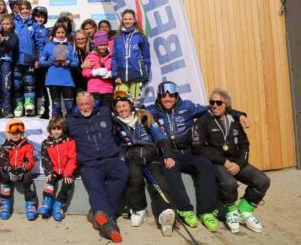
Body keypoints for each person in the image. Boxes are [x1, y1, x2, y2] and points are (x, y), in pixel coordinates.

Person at [147, 81, 249, 232]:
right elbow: (136, 113)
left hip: (189, 151)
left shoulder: (187, 107)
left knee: (205, 164)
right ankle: (185, 210)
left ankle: (206, 211)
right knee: (171, 167)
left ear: (176, 96)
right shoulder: (152, 111)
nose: (167, 99)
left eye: (171, 95)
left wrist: (239, 114)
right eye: (164, 96)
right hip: (169, 153)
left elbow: (214, 109)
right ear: (159, 96)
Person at [193, 88, 270, 234]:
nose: (214, 105)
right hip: (217, 162)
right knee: (229, 183)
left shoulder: (235, 119)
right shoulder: (203, 121)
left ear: (226, 105)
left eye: (218, 102)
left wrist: (239, 164)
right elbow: (198, 148)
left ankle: (245, 211)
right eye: (212, 102)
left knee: (263, 180)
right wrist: (224, 162)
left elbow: (244, 145)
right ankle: (231, 212)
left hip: (236, 161)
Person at [67, 92, 129, 243]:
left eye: (87, 103)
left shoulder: (105, 112)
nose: (85, 107)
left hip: (111, 158)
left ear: (93, 103)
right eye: (81, 104)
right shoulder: (70, 121)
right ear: (77, 105)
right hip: (89, 164)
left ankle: (99, 214)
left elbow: (124, 115)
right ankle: (109, 226)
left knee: (123, 171)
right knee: (95, 186)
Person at [113, 93, 176, 237]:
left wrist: (168, 155)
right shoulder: (115, 123)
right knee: (134, 178)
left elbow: (160, 137)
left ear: (130, 105)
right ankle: (138, 209)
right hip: (132, 156)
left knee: (158, 182)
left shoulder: (144, 117)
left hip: (150, 154)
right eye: (118, 107)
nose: (122, 109)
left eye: (124, 105)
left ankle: (165, 213)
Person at [38, 117, 77, 221]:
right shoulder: (46, 143)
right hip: (54, 169)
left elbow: (72, 158)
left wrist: (68, 173)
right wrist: (49, 172)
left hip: (66, 169)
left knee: (67, 183)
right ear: (50, 129)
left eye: (59, 129)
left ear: (63, 129)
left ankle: (58, 205)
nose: (56, 131)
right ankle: (46, 203)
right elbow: (45, 158)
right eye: (54, 129)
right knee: (50, 181)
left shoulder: (69, 141)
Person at [0, 119, 36, 221]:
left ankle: (30, 204)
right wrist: (9, 169)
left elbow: (30, 161)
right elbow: (2, 161)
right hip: (10, 172)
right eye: (13, 133)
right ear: (8, 133)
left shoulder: (27, 145)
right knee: (4, 177)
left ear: (22, 133)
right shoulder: (4, 146)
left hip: (22, 172)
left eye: (18, 132)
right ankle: (4, 204)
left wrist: (22, 168)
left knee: (28, 178)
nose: (16, 135)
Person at [38, 22, 78, 119]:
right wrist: (52, 62)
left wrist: (67, 63)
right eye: (58, 32)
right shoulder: (48, 46)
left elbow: (76, 63)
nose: (60, 35)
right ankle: (54, 129)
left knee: (68, 106)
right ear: (54, 33)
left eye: (63, 32)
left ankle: (69, 128)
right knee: (56, 106)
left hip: (67, 80)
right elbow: (41, 62)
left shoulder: (69, 46)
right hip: (53, 80)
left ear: (66, 33)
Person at [111, 9, 150, 101]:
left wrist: (145, 75)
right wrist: (115, 75)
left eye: (130, 19)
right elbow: (114, 58)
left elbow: (147, 58)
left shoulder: (140, 36)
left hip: (136, 75)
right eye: (125, 19)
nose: (127, 21)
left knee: (135, 103)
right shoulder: (117, 37)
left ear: (134, 20)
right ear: (122, 21)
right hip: (121, 76)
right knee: (119, 101)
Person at [0, 14, 18, 118]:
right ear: (0, 24)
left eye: (8, 24)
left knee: (6, 86)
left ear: (12, 24)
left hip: (6, 62)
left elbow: (10, 46)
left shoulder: (13, 35)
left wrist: (1, 39)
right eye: (3, 24)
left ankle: (7, 109)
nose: (5, 26)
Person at [13, 0, 38, 116]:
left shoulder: (34, 24)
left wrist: (37, 58)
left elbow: (38, 43)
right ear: (18, 10)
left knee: (29, 82)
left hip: (29, 58)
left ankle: (29, 103)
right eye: (22, 9)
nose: (24, 11)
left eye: (26, 9)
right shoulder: (13, 22)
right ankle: (18, 105)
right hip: (16, 58)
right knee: (16, 83)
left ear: (30, 10)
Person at [82, 31, 113, 108]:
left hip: (107, 90)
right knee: (95, 111)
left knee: (107, 111)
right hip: (94, 90)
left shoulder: (111, 57)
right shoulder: (91, 56)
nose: (102, 47)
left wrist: (111, 74)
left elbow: (116, 70)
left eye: (105, 45)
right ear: (96, 45)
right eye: (100, 45)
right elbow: (84, 72)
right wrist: (95, 72)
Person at [32, 6, 50, 116]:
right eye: (38, 16)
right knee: (32, 84)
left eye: (42, 17)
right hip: (32, 60)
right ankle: (34, 106)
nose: (40, 19)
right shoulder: (31, 28)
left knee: (42, 84)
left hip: (43, 62)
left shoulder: (47, 31)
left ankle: (43, 106)